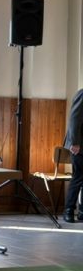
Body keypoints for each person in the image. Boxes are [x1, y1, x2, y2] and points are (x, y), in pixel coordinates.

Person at [62, 88, 83, 223]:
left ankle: (82, 212)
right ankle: (68, 210)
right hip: (79, 145)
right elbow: (74, 118)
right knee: (78, 177)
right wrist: (75, 142)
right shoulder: (82, 94)